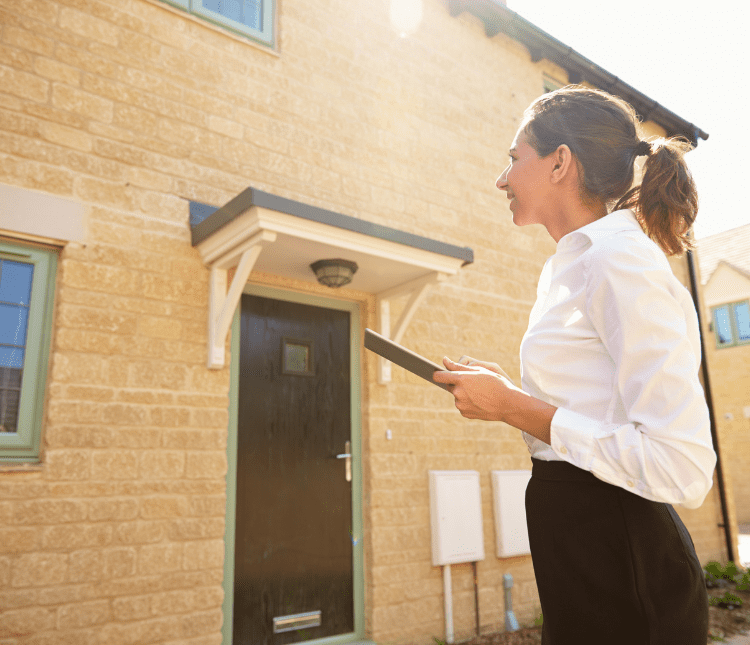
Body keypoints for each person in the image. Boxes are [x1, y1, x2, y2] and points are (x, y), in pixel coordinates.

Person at [433, 86, 716, 645]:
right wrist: (512, 400)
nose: (501, 179)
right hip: (581, 558)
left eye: (514, 159)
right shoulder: (572, 266)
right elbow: (591, 410)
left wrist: (516, 407)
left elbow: (682, 467)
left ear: (560, 162)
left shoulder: (618, 261)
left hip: (627, 574)